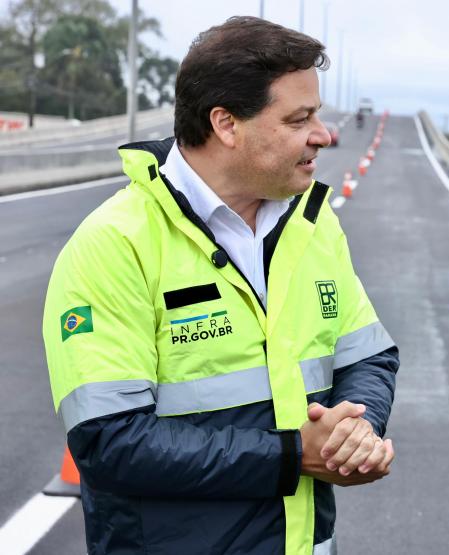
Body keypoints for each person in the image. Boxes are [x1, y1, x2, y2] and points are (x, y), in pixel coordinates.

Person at [43, 17, 398, 554]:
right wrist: (293, 455)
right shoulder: (115, 243)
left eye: (317, 115)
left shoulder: (312, 222)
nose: (323, 135)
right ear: (226, 124)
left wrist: (355, 433)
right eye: (299, 118)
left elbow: (368, 356)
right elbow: (110, 441)